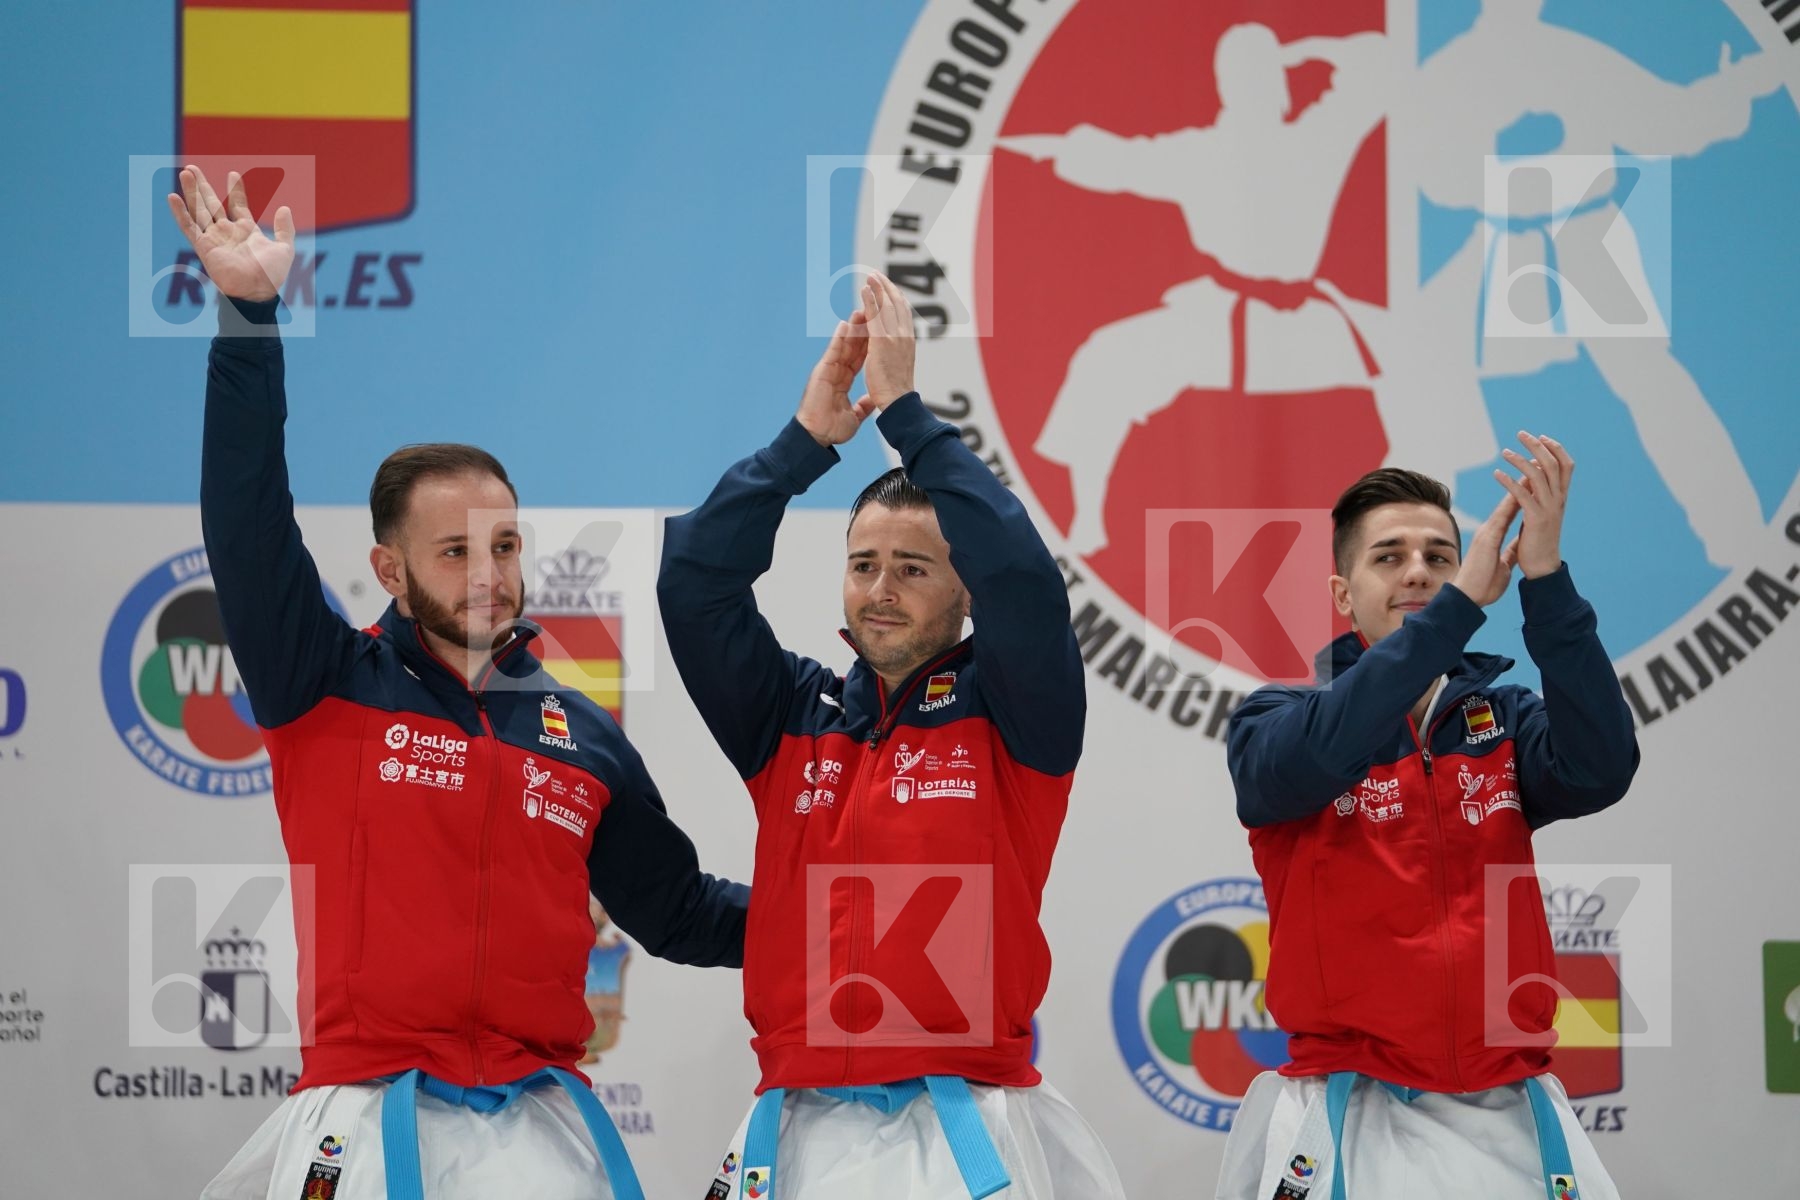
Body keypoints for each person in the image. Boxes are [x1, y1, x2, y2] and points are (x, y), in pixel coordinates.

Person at [169, 165, 747, 1200]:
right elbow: (246, 519)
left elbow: (679, 912)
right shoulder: (323, 678)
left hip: (541, 1131)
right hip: (368, 1115)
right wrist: (249, 318)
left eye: (505, 545)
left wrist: (840, 917)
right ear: (389, 570)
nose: (490, 575)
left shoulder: (583, 736)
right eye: (455, 552)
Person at [658, 274, 1124, 1199]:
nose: (880, 589)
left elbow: (1027, 586)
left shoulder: (1016, 712)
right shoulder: (792, 713)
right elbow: (694, 582)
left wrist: (908, 415)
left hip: (960, 1124)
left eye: (913, 568)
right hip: (793, 1126)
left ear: (963, 589)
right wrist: (802, 446)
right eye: (863, 564)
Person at [1217, 439, 1639, 1199]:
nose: (1418, 572)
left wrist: (1545, 580)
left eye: (1441, 557)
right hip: (1348, 1108)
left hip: (1510, 1106)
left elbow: (1603, 768)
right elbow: (1322, 748)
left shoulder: (1504, 720)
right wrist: (1456, 610)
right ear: (1342, 594)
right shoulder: (1277, 719)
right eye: (1389, 556)